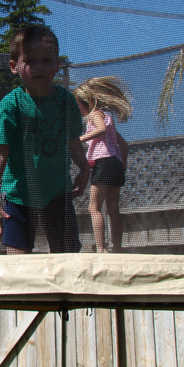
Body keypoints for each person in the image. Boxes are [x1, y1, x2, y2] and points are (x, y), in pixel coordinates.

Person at [0, 24, 90, 255]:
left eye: (47, 60)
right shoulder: (11, 105)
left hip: (57, 192)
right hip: (19, 195)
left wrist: (84, 167)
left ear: (57, 64)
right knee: (17, 257)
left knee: (67, 255)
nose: (39, 67)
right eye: (30, 61)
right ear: (14, 66)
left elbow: (73, 141)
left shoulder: (66, 102)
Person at [73, 77, 131, 253]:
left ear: (85, 102)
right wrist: (123, 164)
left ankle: (101, 249)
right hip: (115, 163)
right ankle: (117, 248)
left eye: (78, 105)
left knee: (94, 207)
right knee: (112, 208)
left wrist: (78, 140)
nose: (78, 110)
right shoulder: (107, 117)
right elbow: (124, 145)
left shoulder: (94, 115)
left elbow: (101, 130)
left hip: (104, 162)